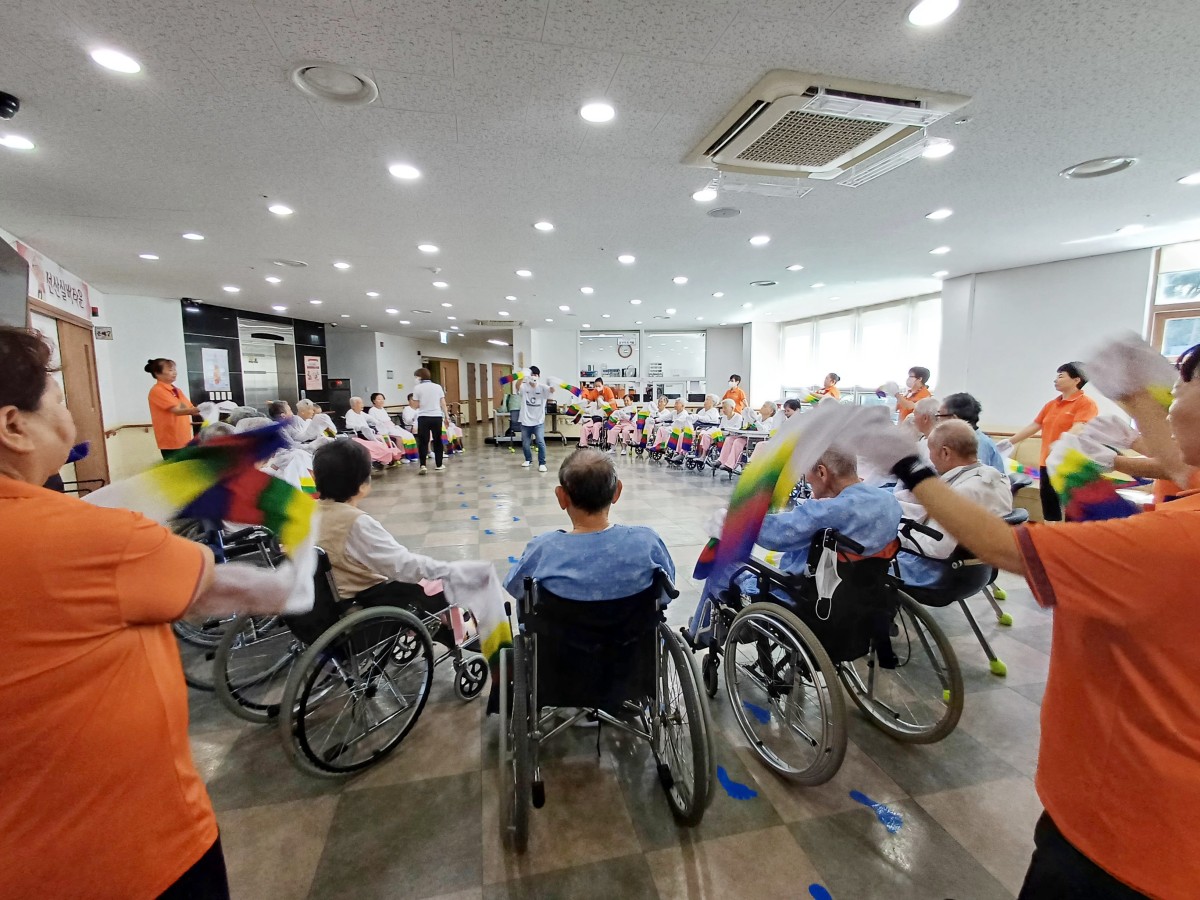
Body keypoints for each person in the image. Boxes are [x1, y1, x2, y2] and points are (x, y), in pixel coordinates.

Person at [850, 337, 1200, 900]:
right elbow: (1181, 470)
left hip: (1125, 830)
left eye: (1183, 384)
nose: (1173, 398)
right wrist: (1139, 402)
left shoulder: (1178, 541)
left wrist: (908, 467)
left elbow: (1003, 546)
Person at [0, 326, 312, 899]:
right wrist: (303, 541)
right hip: (121, 851)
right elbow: (262, 592)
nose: (72, 413)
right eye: (59, 400)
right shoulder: (91, 538)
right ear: (13, 426)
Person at [690, 447, 902, 642]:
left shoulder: (827, 512)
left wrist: (731, 519)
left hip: (804, 594)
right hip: (862, 592)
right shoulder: (888, 501)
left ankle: (699, 634)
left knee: (722, 565)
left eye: (808, 476)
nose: (808, 482)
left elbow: (777, 534)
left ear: (822, 472)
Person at [504, 449, 674, 601]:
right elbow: (667, 591)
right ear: (617, 491)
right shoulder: (647, 542)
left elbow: (515, 588)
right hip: (638, 627)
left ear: (561, 497)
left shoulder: (542, 550)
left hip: (560, 627)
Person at [312, 438, 451, 607]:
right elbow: (399, 564)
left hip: (325, 602)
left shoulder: (307, 512)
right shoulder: (355, 523)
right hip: (362, 602)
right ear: (362, 483)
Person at [894, 420, 1012, 587]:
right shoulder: (999, 481)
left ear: (945, 452)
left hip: (939, 575)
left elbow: (936, 547)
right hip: (980, 572)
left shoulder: (961, 493)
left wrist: (894, 535)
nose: (930, 459)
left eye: (930, 451)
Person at [1003, 362, 1099, 521]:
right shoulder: (1051, 405)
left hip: (1070, 464)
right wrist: (1009, 442)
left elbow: (1079, 426)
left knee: (1073, 509)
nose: (1056, 380)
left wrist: (1060, 443)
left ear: (1076, 380)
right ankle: (1050, 534)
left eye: (1061, 376)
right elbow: (1035, 426)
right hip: (1047, 462)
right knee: (1049, 505)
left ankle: (1070, 535)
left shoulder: (1086, 403)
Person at [938, 392, 1007, 475]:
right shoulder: (961, 440)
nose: (938, 420)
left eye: (940, 415)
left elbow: (976, 478)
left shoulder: (979, 444)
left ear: (954, 419)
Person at [145, 357, 199, 459]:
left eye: (174, 369)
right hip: (171, 441)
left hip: (184, 438)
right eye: (170, 370)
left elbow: (187, 408)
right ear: (157, 373)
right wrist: (195, 410)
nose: (175, 373)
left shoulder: (176, 390)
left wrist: (207, 409)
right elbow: (177, 411)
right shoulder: (157, 390)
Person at [344, 396, 404, 467]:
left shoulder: (361, 413)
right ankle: (381, 459)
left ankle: (390, 456)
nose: (363, 405)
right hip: (359, 435)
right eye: (360, 403)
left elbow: (371, 419)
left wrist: (378, 423)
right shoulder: (350, 413)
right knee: (376, 443)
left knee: (384, 438)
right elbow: (349, 426)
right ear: (354, 405)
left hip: (368, 434)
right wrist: (361, 427)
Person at [412, 367, 450, 474]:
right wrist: (447, 416)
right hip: (436, 416)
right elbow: (443, 403)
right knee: (437, 440)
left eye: (416, 376)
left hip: (423, 417)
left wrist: (422, 403)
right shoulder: (437, 387)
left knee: (423, 441)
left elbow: (415, 405)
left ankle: (423, 465)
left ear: (420, 377)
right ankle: (439, 464)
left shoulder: (417, 388)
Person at [518, 365, 555, 472]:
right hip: (525, 420)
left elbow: (551, 390)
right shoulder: (524, 386)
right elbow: (517, 387)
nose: (534, 376)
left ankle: (542, 463)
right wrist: (521, 376)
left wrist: (552, 384)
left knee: (540, 442)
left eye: (535, 374)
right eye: (532, 374)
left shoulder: (542, 387)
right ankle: (528, 460)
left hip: (538, 421)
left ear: (538, 376)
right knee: (525, 443)